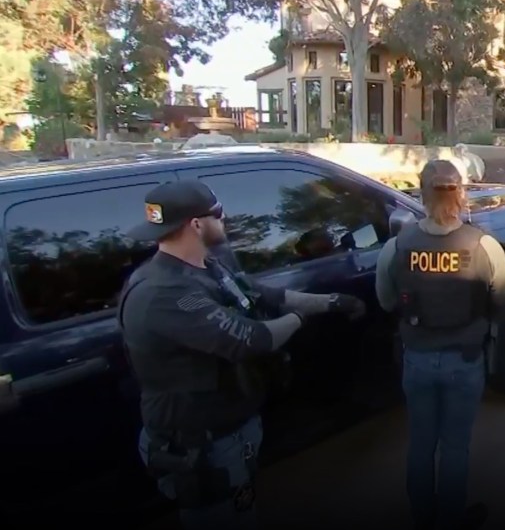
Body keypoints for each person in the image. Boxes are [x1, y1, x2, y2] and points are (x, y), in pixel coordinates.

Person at [118, 180, 366, 530]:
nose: (226, 218)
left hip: (231, 427)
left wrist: (331, 303)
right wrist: (300, 318)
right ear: (197, 224)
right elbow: (252, 339)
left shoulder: (205, 266)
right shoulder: (164, 293)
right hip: (200, 445)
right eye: (219, 213)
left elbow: (262, 295)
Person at [375, 160, 505, 530]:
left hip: (417, 359)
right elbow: (503, 300)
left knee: (421, 444)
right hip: (465, 360)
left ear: (421, 195)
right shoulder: (484, 246)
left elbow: (386, 301)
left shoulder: (397, 246)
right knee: (455, 446)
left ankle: (422, 516)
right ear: (462, 193)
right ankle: (450, 519)